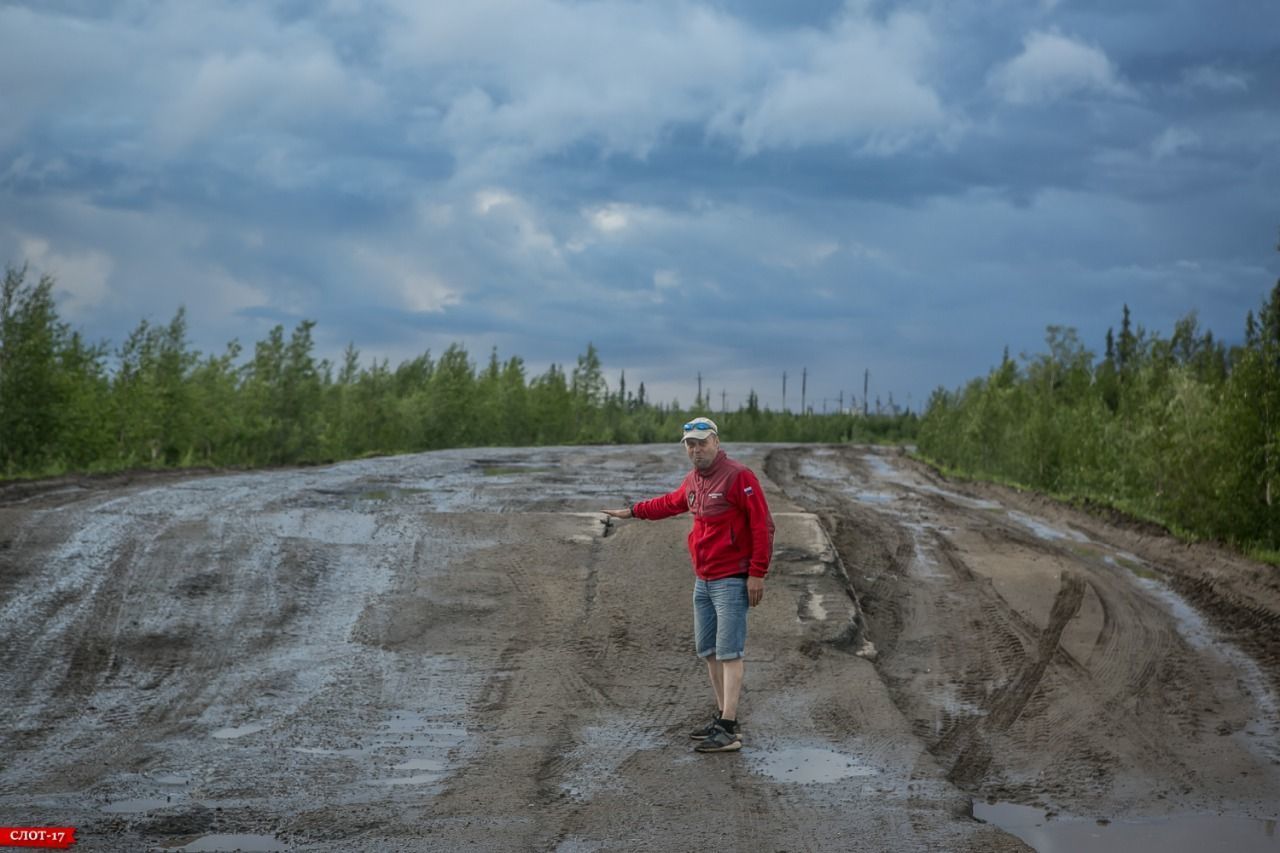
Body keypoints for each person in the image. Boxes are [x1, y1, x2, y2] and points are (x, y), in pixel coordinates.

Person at [603, 416, 775, 753]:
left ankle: (728, 729)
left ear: (716, 441)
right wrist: (633, 511)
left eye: (702, 442)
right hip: (705, 579)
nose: (696, 450)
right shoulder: (695, 480)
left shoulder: (739, 477)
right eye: (690, 445)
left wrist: (757, 573)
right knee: (708, 651)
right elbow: (671, 502)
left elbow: (762, 526)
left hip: (731, 580)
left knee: (729, 652)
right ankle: (724, 719)